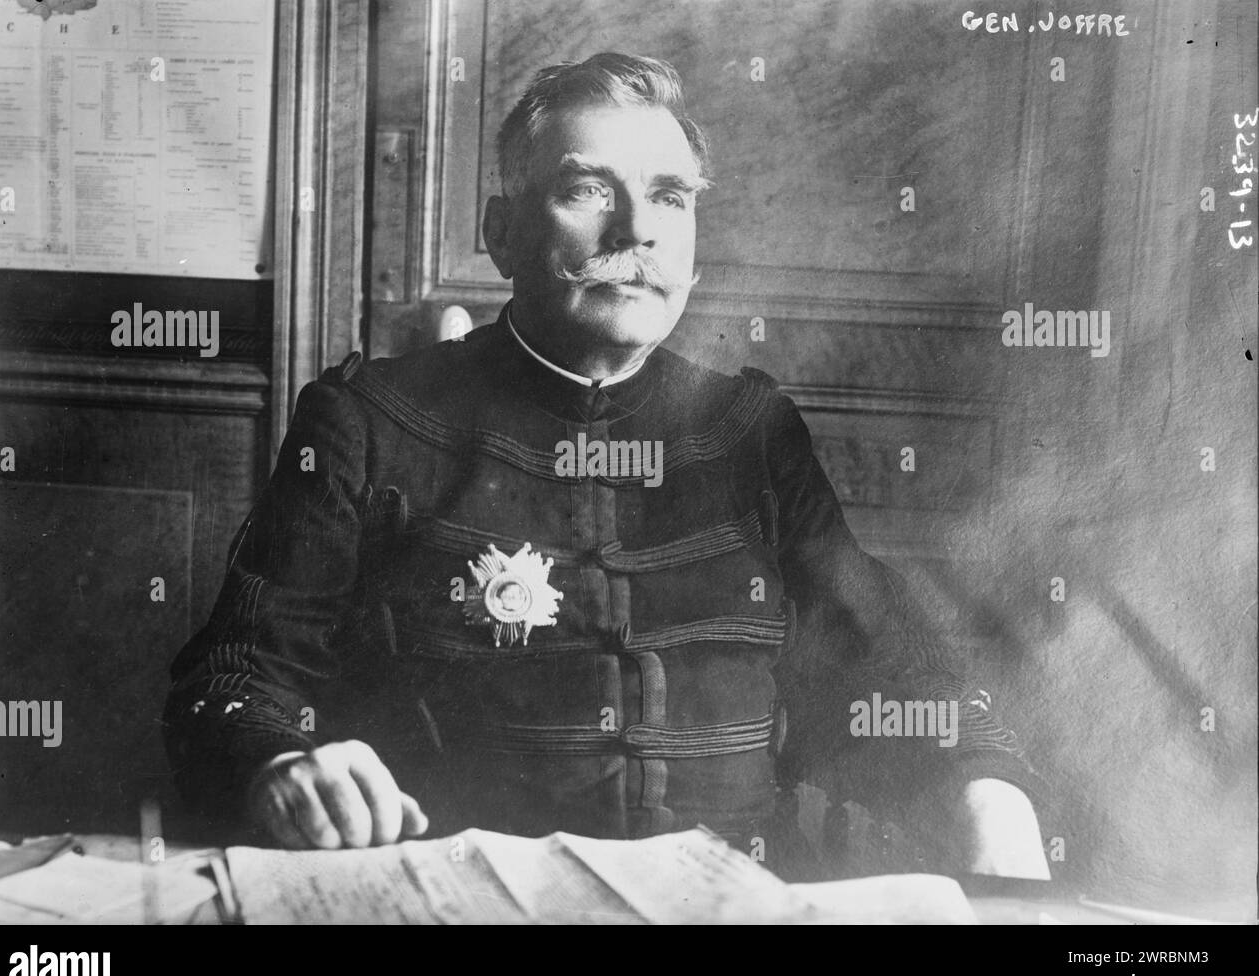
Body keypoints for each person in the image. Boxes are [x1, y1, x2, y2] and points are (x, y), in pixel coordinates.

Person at [164, 52, 1049, 881]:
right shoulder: (365, 423)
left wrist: (986, 785)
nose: (637, 231)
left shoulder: (755, 432)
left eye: (670, 197)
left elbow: (881, 675)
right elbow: (231, 685)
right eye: (589, 189)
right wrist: (279, 764)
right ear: (502, 232)